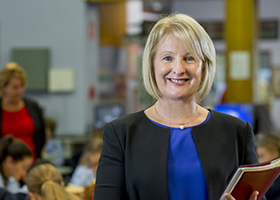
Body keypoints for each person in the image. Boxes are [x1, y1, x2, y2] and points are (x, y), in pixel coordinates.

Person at [94, 13, 260, 200]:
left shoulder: (237, 131)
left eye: (189, 58)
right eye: (167, 58)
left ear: (204, 67)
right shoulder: (120, 134)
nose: (179, 69)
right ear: (152, 65)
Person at [0, 62, 46, 156]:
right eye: (15, 88)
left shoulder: (33, 107)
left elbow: (41, 136)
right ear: (3, 88)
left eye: (21, 86)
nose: (19, 91)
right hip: (1, 164)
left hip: (31, 162)